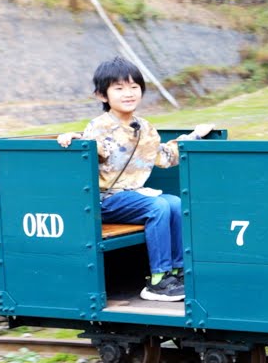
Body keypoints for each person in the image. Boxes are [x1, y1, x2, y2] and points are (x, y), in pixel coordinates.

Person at [56, 57, 213, 302]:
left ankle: (177, 270)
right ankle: (158, 280)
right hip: (103, 201)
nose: (128, 93)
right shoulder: (100, 126)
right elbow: (90, 147)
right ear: (102, 95)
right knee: (158, 206)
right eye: (118, 88)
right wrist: (72, 137)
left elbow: (165, 156)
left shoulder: (145, 128)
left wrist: (194, 136)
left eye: (133, 87)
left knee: (176, 203)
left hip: (130, 197)